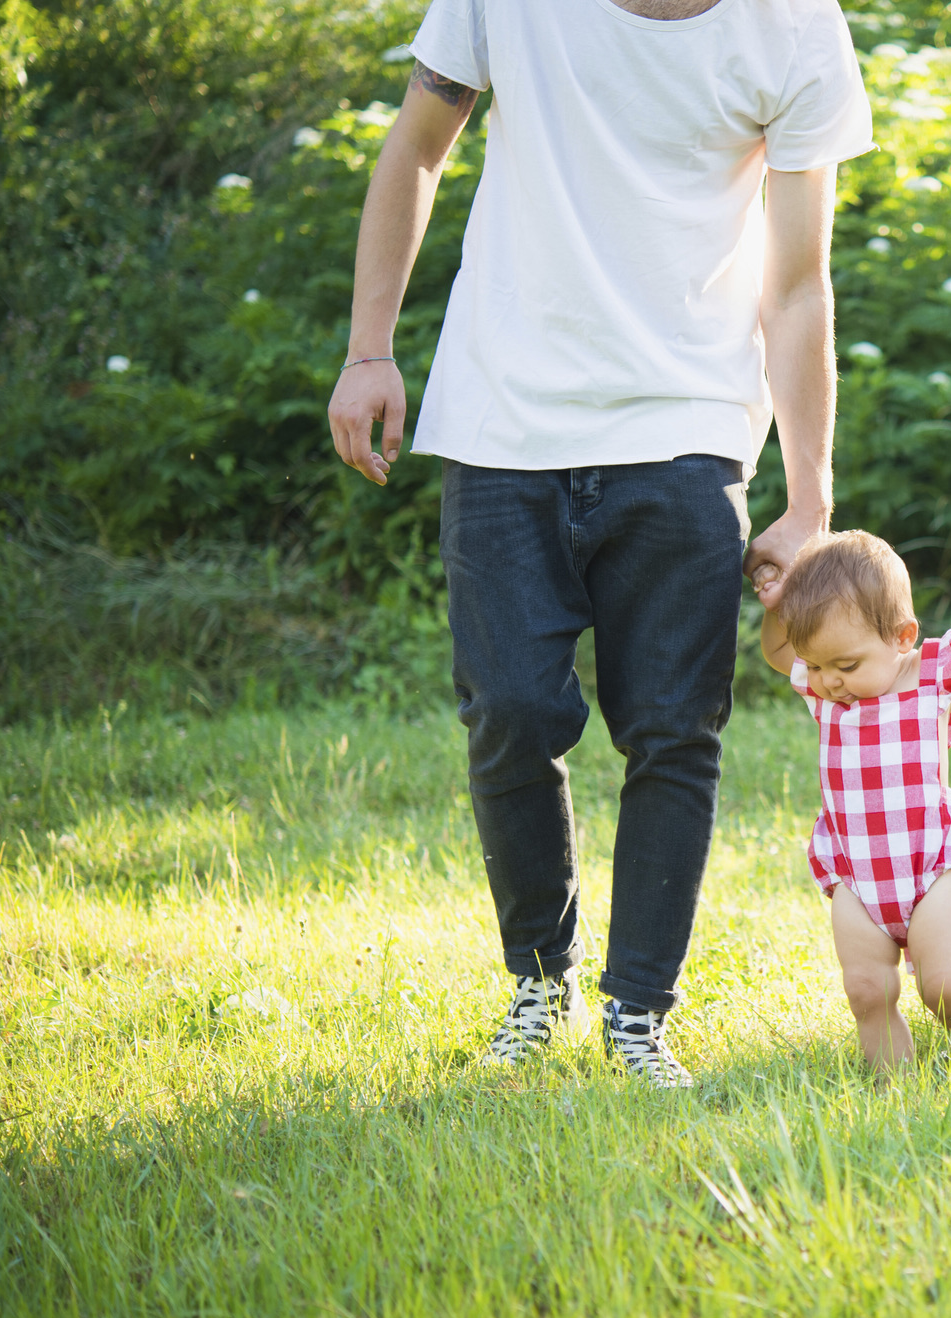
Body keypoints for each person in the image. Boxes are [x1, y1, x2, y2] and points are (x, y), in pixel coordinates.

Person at [325, 0, 873, 1086]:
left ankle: (637, 1012)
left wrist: (809, 499)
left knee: (673, 729)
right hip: (501, 414)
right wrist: (368, 349)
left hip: (686, 421)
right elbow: (418, 145)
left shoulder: (795, 24)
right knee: (511, 712)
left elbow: (798, 281)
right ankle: (540, 980)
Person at [750, 526, 951, 1066]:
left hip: (929, 867)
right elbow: (779, 649)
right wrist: (777, 602)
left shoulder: (930, 672)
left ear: (902, 636)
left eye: (846, 665)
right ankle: (892, 1094)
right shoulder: (826, 693)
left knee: (946, 987)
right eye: (818, 666)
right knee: (866, 992)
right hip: (856, 875)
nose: (829, 680)